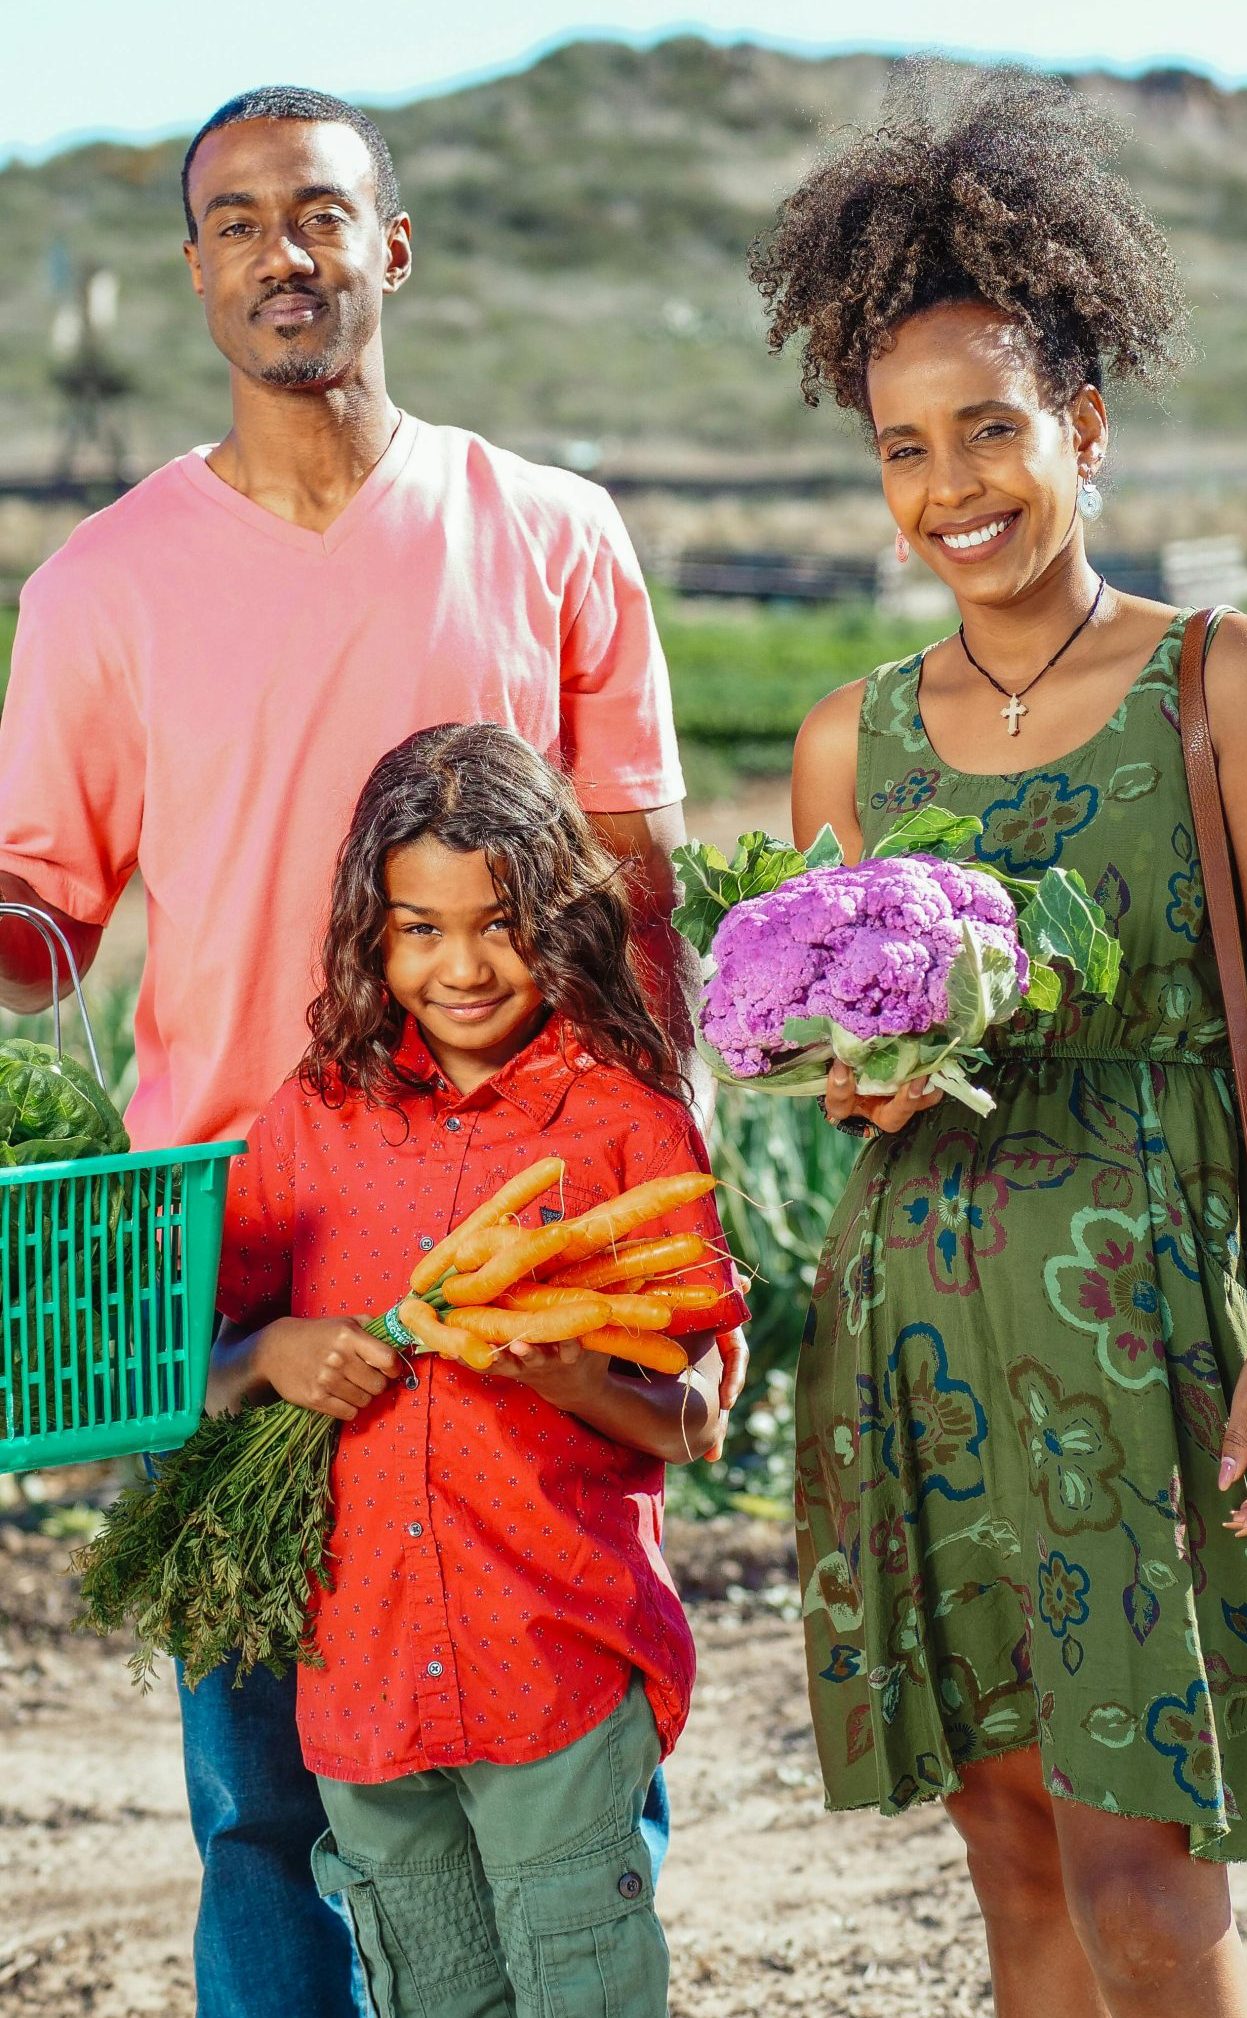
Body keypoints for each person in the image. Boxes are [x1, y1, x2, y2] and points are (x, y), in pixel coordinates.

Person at [0, 84, 744, 2017]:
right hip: (241, 1259)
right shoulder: (99, 585)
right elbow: (43, 917)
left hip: (520, 1253)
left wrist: (680, 1237)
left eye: (319, 213)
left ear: (389, 249)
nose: (283, 252)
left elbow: (639, 904)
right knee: (268, 1801)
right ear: (195, 274)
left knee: (553, 1739)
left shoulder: (551, 532)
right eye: (236, 222)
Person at [749, 67, 1247, 2018]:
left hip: (1151, 1322)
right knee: (1012, 1860)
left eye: (992, 430)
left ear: (1080, 429)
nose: (953, 487)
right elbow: (836, 1048)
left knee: (1148, 1883)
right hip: (918, 1329)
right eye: (903, 449)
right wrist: (849, 1079)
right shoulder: (852, 734)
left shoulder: (1229, 681)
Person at [209, 722, 745, 2018]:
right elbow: (199, 1366)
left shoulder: (623, 1124)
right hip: (364, 1688)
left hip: (548, 1664)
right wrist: (270, 1353)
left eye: (494, 924)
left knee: (584, 1994)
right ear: (368, 930)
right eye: (416, 929)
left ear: (556, 914)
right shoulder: (315, 1118)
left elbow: (697, 1418)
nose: (457, 965)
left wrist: (573, 1377)